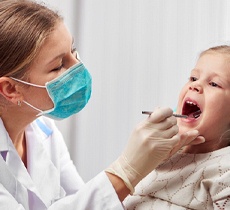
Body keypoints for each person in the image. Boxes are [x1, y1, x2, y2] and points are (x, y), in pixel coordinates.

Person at [0, 1, 205, 209]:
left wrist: (143, 167)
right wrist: (127, 171)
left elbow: (80, 200)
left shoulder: (44, 132)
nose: (78, 67)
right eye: (59, 66)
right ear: (10, 89)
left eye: (73, 50)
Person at [123, 45, 230, 210]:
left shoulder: (224, 170)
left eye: (214, 84)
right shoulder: (160, 154)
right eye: (193, 78)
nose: (195, 86)